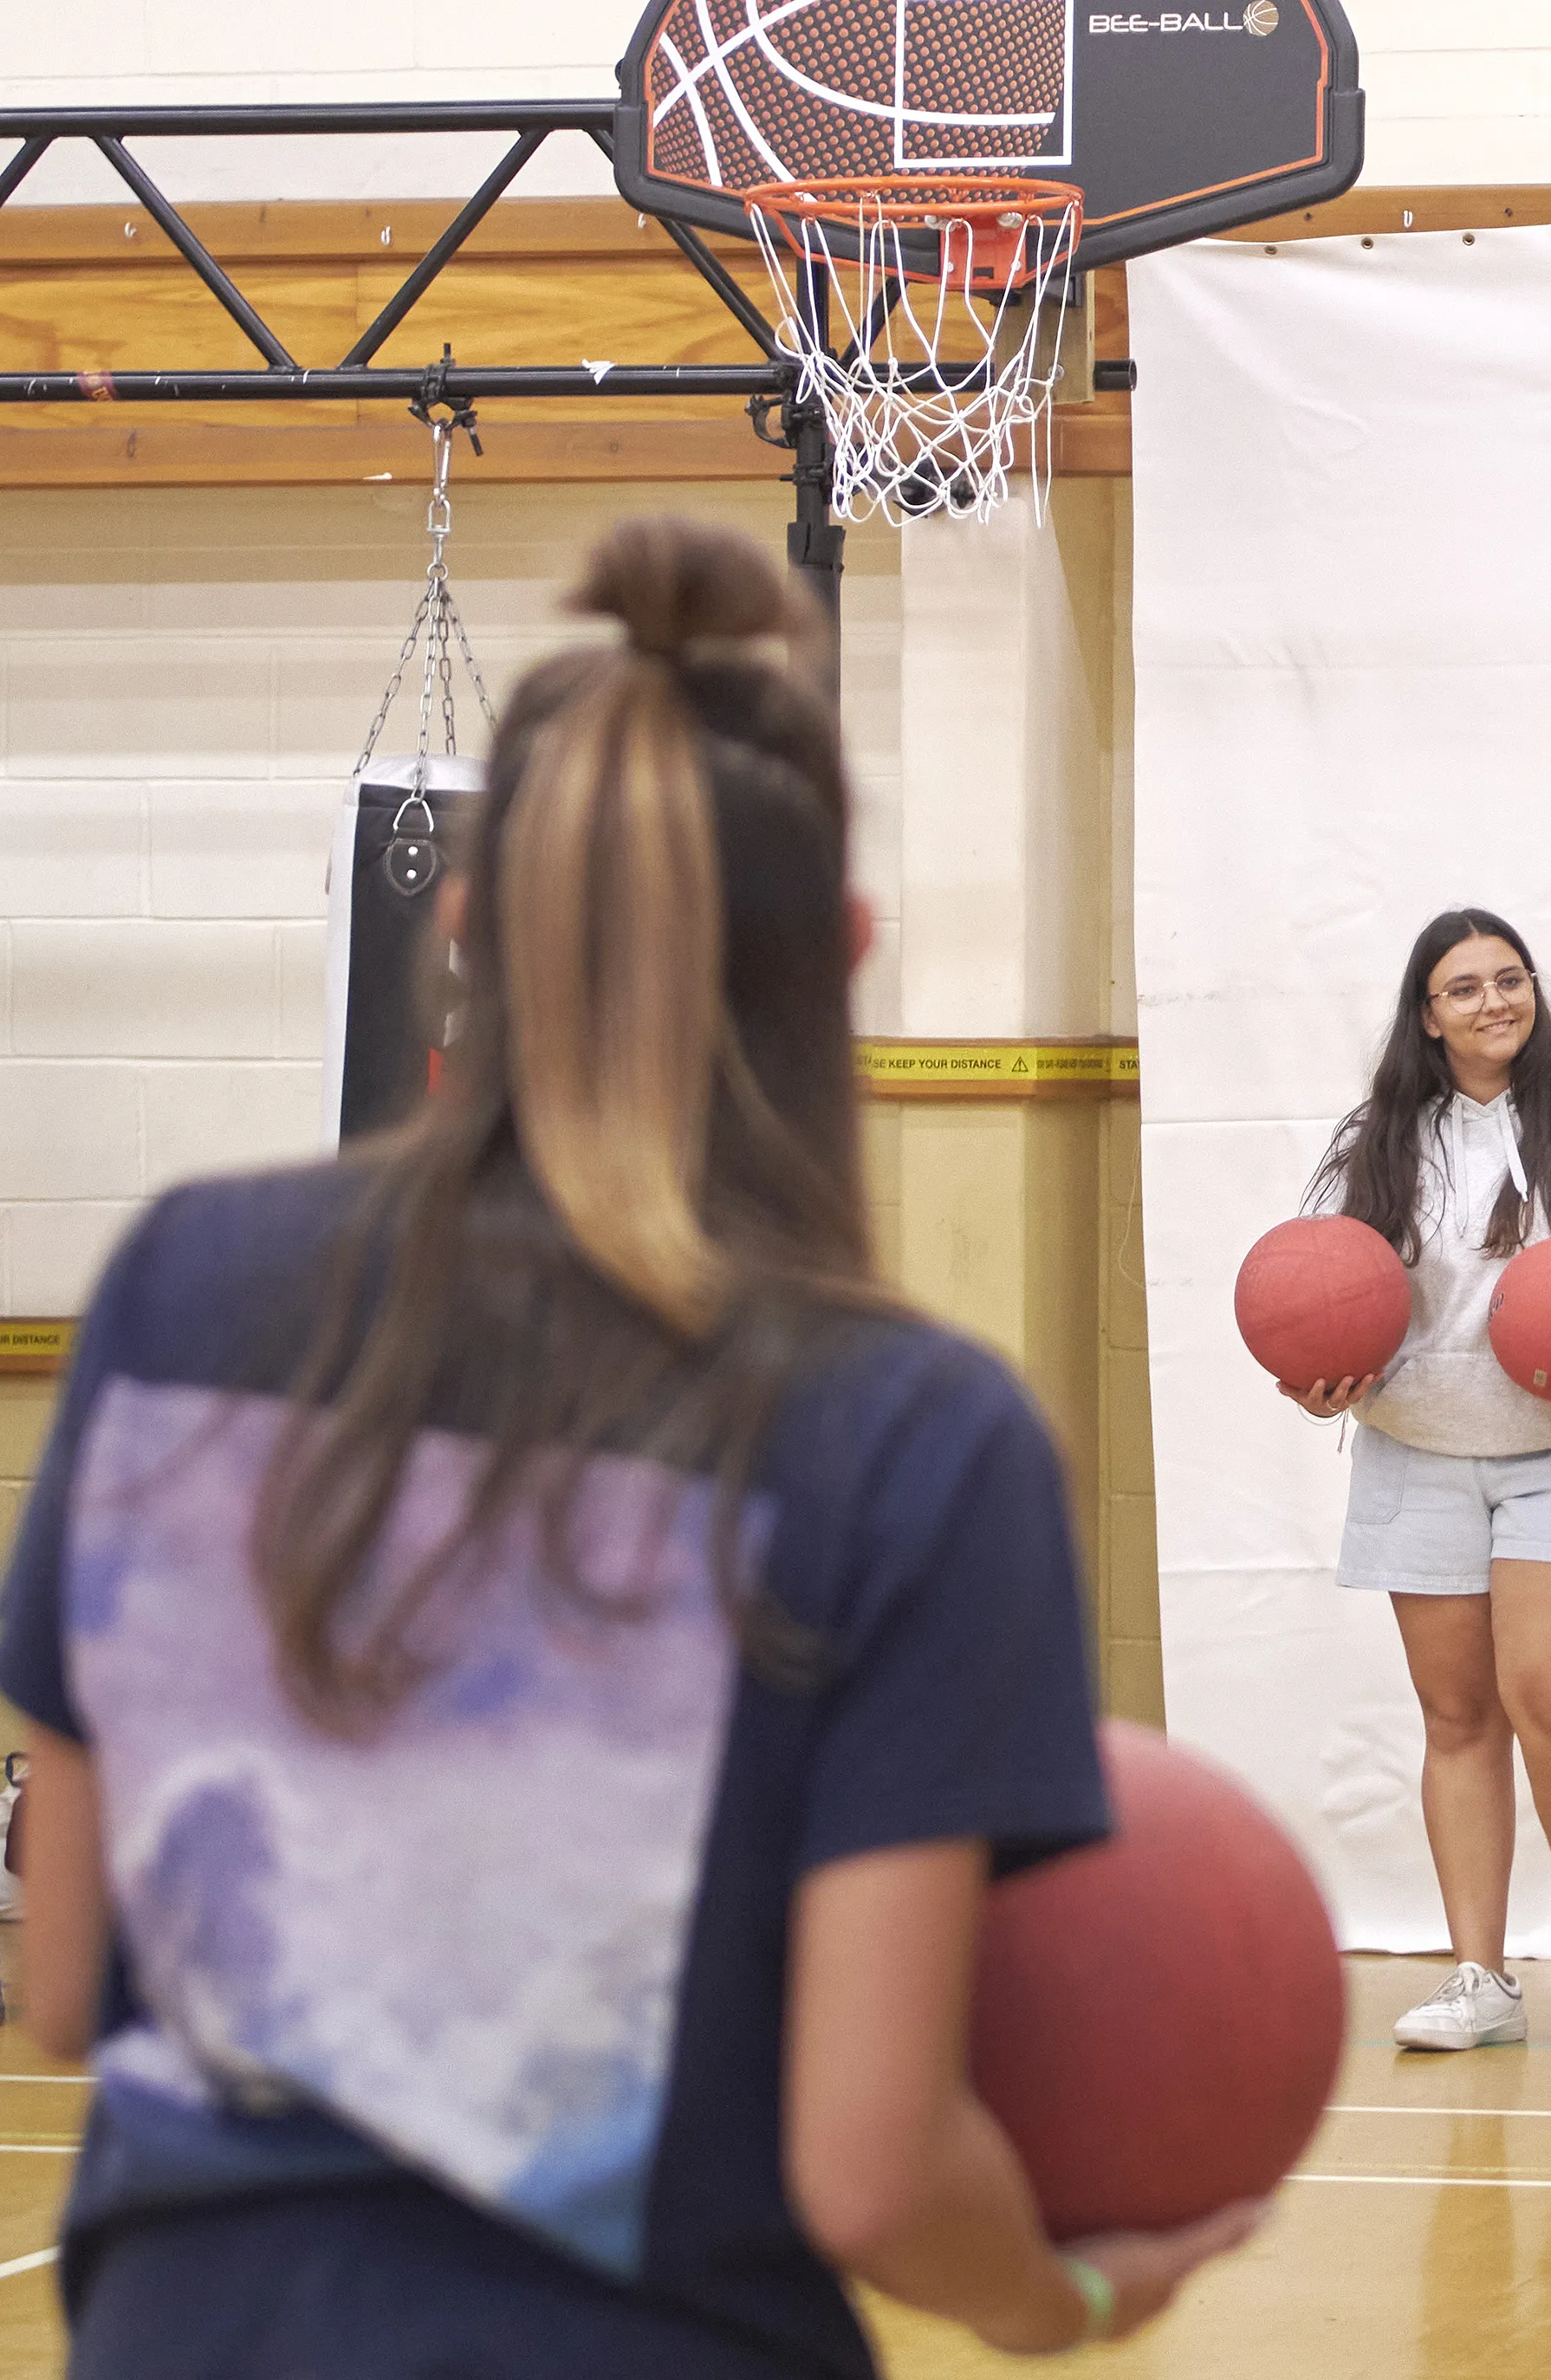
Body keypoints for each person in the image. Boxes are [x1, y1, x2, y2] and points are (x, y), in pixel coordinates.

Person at [0, 519, 1256, 2377]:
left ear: (455, 923)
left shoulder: (180, 1285)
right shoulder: (909, 1431)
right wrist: (1057, 2297)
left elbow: (57, 1978)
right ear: (844, 950)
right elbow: (871, 2162)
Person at [1282, 911, 1551, 2055]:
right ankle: (1479, 1976)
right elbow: (1323, 1288)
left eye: (1508, 980)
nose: (1491, 1003)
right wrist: (1319, 1381)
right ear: (1427, 1012)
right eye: (1462, 988)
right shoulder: (1375, 1135)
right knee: (1456, 1713)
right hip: (1416, 1448)